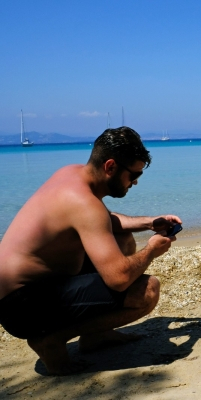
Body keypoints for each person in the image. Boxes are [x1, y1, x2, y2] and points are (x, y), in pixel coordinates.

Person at [0, 127, 181, 375]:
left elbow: (100, 220)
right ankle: (50, 340)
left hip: (25, 292)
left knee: (123, 239)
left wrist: (149, 222)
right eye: (134, 174)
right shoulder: (84, 204)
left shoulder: (71, 174)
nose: (136, 181)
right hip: (22, 307)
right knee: (147, 291)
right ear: (110, 167)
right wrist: (151, 249)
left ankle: (96, 336)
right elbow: (118, 279)